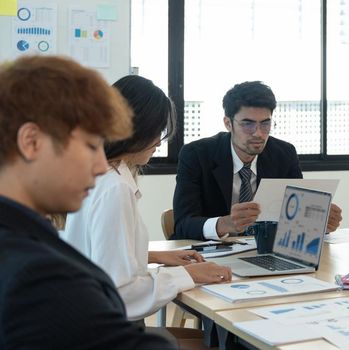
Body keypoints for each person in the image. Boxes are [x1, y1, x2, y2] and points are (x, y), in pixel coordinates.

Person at [0, 56, 176, 348]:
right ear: (31, 142)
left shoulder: (26, 240)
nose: (99, 166)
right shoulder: (36, 274)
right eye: (91, 146)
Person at [62, 75, 232, 323]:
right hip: (108, 332)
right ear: (136, 130)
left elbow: (99, 255)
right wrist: (188, 274)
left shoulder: (99, 176)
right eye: (158, 131)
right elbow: (121, 295)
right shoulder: (114, 188)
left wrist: (150, 256)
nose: (158, 143)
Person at [172, 81, 342, 240]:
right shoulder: (196, 155)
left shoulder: (284, 154)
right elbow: (183, 224)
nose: (258, 133)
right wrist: (225, 224)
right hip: (211, 255)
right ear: (228, 124)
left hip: (265, 250)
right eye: (248, 124)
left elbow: (294, 216)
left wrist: (318, 223)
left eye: (265, 124)